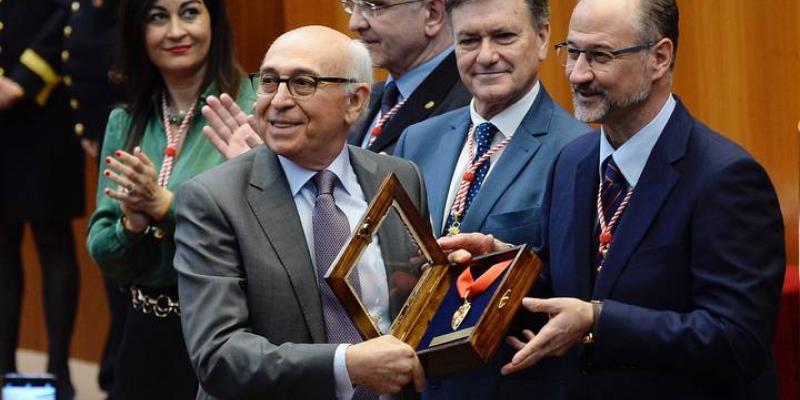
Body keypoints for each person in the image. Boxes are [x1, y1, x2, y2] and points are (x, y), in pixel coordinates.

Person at [440, 0, 786, 398]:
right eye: (572, 52)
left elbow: (737, 341)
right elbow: (567, 284)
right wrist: (506, 262)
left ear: (659, 58)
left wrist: (597, 322)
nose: (577, 73)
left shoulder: (725, 178)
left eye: (600, 56)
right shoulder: (573, 162)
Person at [173, 26, 427, 399]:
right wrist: (348, 364)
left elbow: (416, 301)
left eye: (303, 83)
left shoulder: (399, 178)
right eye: (269, 81)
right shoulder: (213, 200)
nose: (278, 100)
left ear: (354, 102)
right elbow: (219, 356)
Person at [394, 0, 586, 397]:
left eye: (503, 36)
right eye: (468, 40)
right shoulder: (417, 139)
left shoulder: (580, 151)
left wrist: (509, 264)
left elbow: (586, 290)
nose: (486, 56)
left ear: (542, 37)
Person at [85, 0, 254, 398]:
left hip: (228, 333)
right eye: (158, 17)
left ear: (215, 21)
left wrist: (164, 206)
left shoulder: (247, 111)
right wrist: (133, 225)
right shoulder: (124, 121)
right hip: (144, 327)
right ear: (138, 32)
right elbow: (102, 250)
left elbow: (257, 235)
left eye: (190, 12)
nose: (176, 31)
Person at [0, 1, 82, 398]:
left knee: (53, 237)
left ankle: (57, 371)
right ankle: (3, 369)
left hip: (45, 108)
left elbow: (70, 10)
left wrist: (23, 80)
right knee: (1, 245)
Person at [60, 0, 128, 394]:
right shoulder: (90, 12)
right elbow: (81, 50)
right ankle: (113, 375)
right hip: (114, 129)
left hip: (153, 118)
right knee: (117, 259)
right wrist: (88, 122)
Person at [344, 0, 471, 154]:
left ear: (432, 14)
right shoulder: (367, 98)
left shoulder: (473, 102)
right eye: (351, 5)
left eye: (373, 6)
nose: (355, 23)